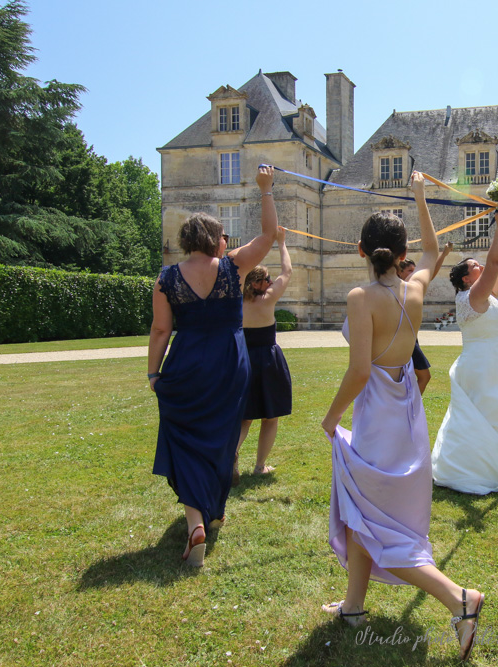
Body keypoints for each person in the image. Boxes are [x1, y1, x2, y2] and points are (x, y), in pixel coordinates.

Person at [321, 172, 484, 660]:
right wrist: (418, 195)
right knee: (363, 514)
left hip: (378, 416)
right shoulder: (415, 286)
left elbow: (356, 373)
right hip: (408, 412)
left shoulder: (359, 297)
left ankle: (460, 599)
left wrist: (331, 418)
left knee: (376, 519)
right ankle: (353, 605)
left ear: (360, 250)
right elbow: (433, 251)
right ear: (401, 250)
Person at [148, 165, 280, 567]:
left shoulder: (166, 278)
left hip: (187, 363)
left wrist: (153, 374)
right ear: (213, 238)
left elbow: (159, 331)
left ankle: (196, 522)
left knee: (184, 436)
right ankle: (215, 510)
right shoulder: (232, 267)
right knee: (224, 436)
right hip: (230, 362)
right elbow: (269, 237)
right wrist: (265, 189)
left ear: (187, 240)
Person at [430, 208, 498, 495]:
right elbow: (494, 262)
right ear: (467, 279)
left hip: (495, 359)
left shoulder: (478, 297)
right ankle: (479, 466)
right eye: (476, 266)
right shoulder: (470, 296)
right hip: (482, 364)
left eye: (481, 265)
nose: (482, 266)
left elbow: (493, 293)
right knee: (490, 409)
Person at [232, 228, 294, 482]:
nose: (270, 283)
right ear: (257, 283)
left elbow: (237, 265)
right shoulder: (268, 299)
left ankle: (231, 454)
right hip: (269, 361)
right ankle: (259, 466)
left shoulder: (237, 300)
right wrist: (281, 243)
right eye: (266, 279)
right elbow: (287, 271)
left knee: (244, 417)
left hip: (243, 361)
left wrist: (256, 243)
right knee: (271, 416)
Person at [396, 241, 453, 394]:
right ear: (399, 272)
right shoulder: (400, 286)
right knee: (424, 375)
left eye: (415, 271)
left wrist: (444, 254)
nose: (414, 274)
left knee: (407, 376)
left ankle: (408, 406)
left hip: (411, 337)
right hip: (402, 337)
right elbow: (430, 271)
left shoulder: (412, 287)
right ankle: (411, 407)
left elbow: (430, 273)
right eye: (410, 271)